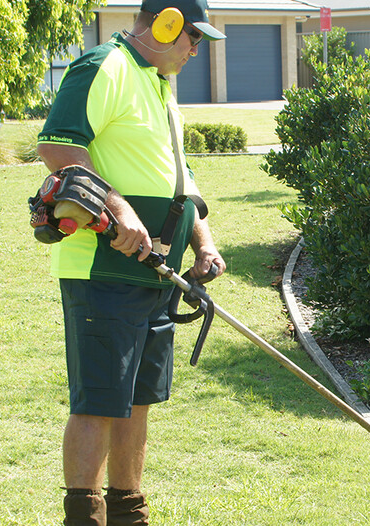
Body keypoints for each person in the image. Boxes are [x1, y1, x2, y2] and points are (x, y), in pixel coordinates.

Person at [35, 1, 226, 524]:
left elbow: (181, 180)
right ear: (166, 23)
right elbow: (57, 144)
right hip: (103, 272)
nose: (196, 48)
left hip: (156, 275)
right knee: (100, 401)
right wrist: (117, 208)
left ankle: (129, 512)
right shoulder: (103, 66)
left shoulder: (161, 86)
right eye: (193, 37)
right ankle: (85, 517)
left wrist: (202, 243)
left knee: (138, 400)